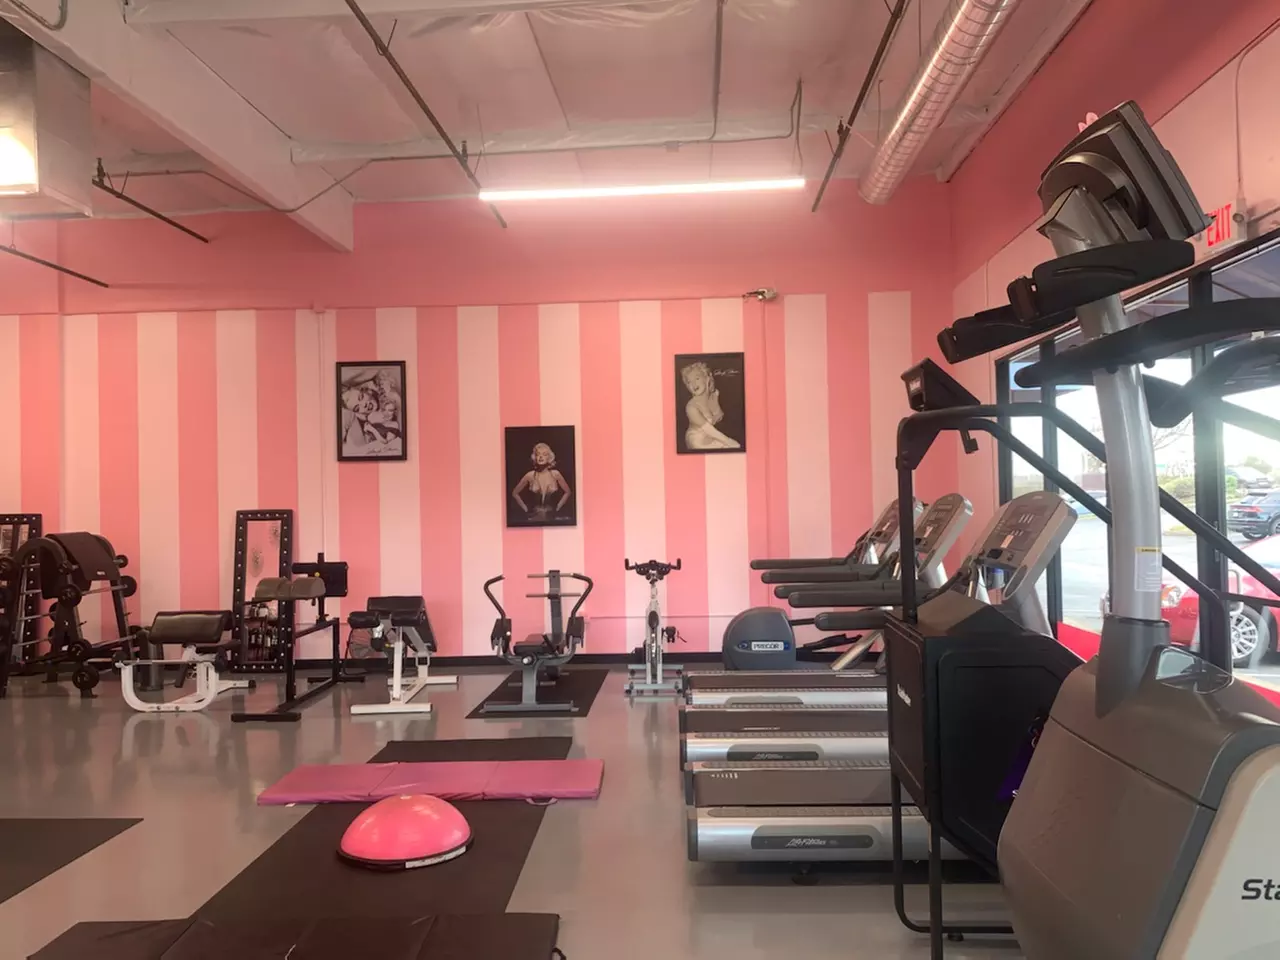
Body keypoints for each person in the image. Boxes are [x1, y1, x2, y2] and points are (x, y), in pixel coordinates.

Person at [681, 361, 740, 450]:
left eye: (697, 378)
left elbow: (724, 416)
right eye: (689, 382)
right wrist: (731, 442)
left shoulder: (716, 394)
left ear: (706, 378)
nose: (693, 384)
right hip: (698, 441)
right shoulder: (691, 407)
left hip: (715, 437)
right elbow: (709, 430)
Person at [513, 442, 572, 522]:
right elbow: (515, 493)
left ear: (549, 458)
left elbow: (568, 492)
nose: (541, 457)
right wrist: (526, 509)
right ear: (535, 457)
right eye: (538, 454)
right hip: (533, 518)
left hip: (552, 518)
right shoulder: (530, 475)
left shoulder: (555, 474)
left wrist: (557, 508)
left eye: (544, 454)